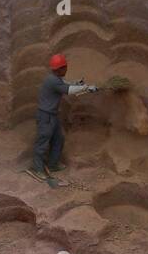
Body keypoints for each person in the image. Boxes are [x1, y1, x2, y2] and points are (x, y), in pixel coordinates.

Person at [30, 53, 97, 183]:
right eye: (65, 67)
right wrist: (87, 88)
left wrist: (79, 84)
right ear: (60, 68)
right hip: (46, 116)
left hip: (52, 116)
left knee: (58, 139)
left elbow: (68, 84)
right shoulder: (52, 81)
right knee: (42, 143)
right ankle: (37, 169)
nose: (66, 69)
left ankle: (53, 164)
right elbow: (69, 90)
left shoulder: (55, 78)